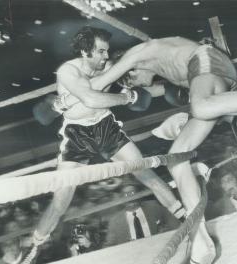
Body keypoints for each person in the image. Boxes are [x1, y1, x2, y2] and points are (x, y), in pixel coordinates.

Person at [57, 36, 237, 264]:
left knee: (200, 107)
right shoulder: (162, 65)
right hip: (213, 85)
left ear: (129, 69)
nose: (139, 85)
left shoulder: (136, 55)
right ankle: (201, 241)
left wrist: (67, 97)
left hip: (207, 62)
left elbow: (96, 87)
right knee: (177, 159)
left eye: (133, 81)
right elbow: (159, 91)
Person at [21, 27, 186, 264]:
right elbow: (91, 98)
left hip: (105, 126)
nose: (106, 56)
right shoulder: (68, 71)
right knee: (61, 201)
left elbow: (141, 78)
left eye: (106, 51)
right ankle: (34, 248)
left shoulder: (108, 66)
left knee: (146, 173)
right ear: (84, 51)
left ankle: (186, 220)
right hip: (77, 134)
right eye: (100, 51)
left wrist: (176, 83)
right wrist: (126, 98)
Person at [103, 176, 180, 247]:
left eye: (133, 193)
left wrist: (163, 235)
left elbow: (175, 224)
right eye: (126, 195)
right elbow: (109, 246)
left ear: (139, 194)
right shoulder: (115, 221)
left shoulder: (153, 206)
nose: (130, 197)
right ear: (121, 199)